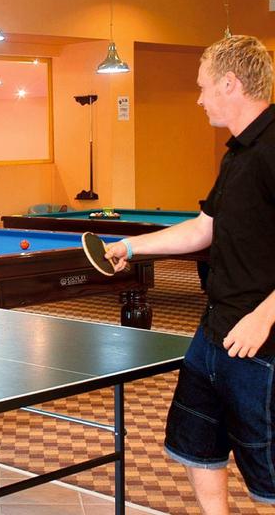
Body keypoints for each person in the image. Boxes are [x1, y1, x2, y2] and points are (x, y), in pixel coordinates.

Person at [104, 35, 275, 514]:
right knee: (196, 442)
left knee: (268, 472)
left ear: (230, 83)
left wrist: (265, 317)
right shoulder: (237, 153)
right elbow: (204, 229)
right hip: (214, 331)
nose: (198, 99)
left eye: (202, 88)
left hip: (260, 341)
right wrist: (131, 247)